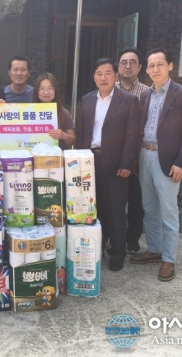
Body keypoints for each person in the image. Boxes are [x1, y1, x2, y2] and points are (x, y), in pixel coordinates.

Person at [130, 48, 182, 282]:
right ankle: (155, 249)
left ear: (170, 66)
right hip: (145, 155)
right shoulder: (145, 95)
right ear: (147, 70)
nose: (155, 69)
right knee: (149, 207)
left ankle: (169, 259)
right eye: (151, 65)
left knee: (168, 212)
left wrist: (181, 163)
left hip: (168, 161)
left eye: (160, 64)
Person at [76, 58, 140, 272]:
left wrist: (127, 163)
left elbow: (132, 135)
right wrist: (79, 161)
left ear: (115, 76)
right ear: (94, 77)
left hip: (116, 163)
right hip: (90, 161)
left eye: (107, 73)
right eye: (98, 73)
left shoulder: (128, 100)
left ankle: (117, 252)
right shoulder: (87, 99)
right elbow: (82, 132)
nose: (103, 78)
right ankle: (98, 247)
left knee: (115, 210)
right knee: (94, 207)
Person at [115, 47, 150, 256]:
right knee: (114, 200)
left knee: (137, 199)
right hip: (113, 153)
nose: (127, 66)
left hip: (138, 155)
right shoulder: (109, 89)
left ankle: (133, 238)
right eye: (123, 62)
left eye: (132, 62)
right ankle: (113, 236)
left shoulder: (147, 93)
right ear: (118, 67)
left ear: (139, 67)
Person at [31, 72, 76, 150]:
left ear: (55, 90)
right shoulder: (28, 113)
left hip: (57, 156)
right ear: (36, 91)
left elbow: (73, 140)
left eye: (50, 88)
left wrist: (63, 135)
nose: (46, 92)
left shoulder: (63, 113)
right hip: (33, 155)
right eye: (42, 89)